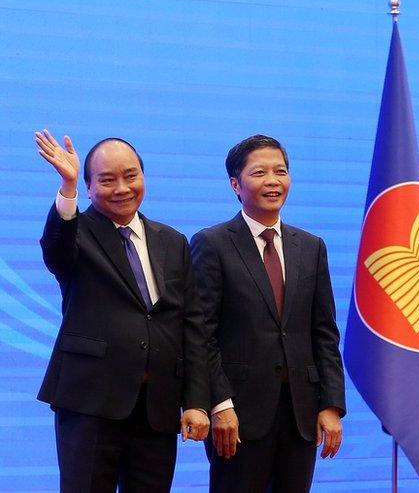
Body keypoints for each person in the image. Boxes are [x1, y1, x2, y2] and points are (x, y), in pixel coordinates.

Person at [34, 131, 210, 491]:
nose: (122, 188)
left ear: (143, 177)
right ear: (87, 186)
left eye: (130, 176)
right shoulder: (76, 230)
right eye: (107, 179)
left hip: (157, 408)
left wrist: (196, 401)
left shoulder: (172, 241)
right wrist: (66, 189)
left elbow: (191, 324)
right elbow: (56, 252)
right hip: (91, 402)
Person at [191, 135, 345, 492]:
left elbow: (324, 333)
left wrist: (331, 404)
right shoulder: (212, 244)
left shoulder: (310, 247)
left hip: (300, 415)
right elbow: (202, 335)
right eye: (260, 172)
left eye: (281, 171)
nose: (273, 180)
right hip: (238, 417)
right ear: (235, 184)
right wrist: (219, 404)